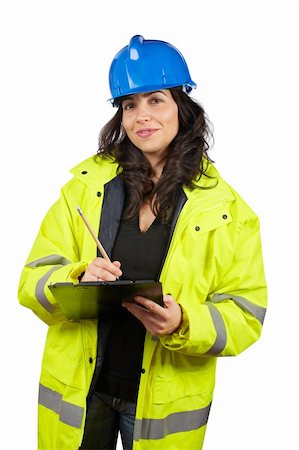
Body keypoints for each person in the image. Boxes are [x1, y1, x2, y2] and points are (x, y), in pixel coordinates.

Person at [18, 35, 267, 450]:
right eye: (129, 104)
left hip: (160, 404)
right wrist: (77, 276)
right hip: (82, 393)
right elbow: (31, 282)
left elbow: (246, 313)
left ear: (182, 108)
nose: (141, 117)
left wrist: (184, 321)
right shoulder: (83, 191)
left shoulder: (228, 212)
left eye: (155, 100)